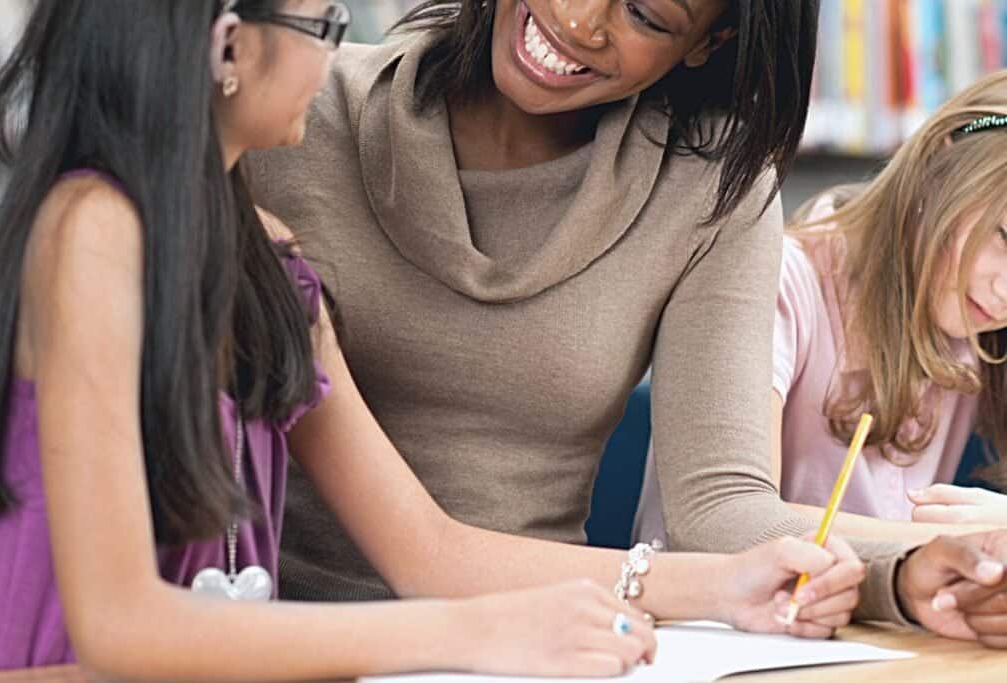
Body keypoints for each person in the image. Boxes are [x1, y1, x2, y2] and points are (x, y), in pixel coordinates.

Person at [0, 0, 871, 677]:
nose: (340, 54)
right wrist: (478, 633)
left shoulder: (268, 258)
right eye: (321, 22)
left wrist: (725, 585)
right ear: (226, 45)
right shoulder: (91, 231)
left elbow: (428, 550)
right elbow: (117, 622)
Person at [247, 0, 1007, 648]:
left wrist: (903, 573)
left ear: (709, 40)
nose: (579, 19)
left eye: (644, 13)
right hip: (267, 630)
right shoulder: (282, 110)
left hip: (551, 636)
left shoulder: (713, 189)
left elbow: (721, 506)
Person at [635, 69, 1007, 547]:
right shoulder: (774, 284)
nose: (1004, 294)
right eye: (1003, 238)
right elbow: (729, 525)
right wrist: (959, 541)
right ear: (940, 165)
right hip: (707, 616)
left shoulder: (973, 327)